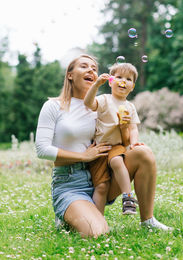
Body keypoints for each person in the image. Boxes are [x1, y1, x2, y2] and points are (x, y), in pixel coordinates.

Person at [35, 54, 172, 238]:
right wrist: (84, 156)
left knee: (143, 152)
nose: (91, 70)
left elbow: (121, 143)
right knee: (96, 232)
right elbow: (42, 149)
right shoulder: (53, 106)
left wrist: (124, 128)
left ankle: (147, 220)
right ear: (69, 74)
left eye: (94, 68)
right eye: (84, 66)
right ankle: (69, 215)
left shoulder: (103, 105)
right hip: (71, 182)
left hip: (103, 173)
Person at [84, 62, 144, 215]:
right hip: (99, 148)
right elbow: (88, 103)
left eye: (128, 79)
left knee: (117, 161)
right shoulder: (104, 99)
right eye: (119, 77)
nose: (123, 81)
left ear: (133, 87)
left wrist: (134, 142)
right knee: (101, 187)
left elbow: (133, 128)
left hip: (116, 146)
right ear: (111, 81)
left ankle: (128, 198)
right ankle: (98, 221)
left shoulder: (130, 106)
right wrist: (96, 84)